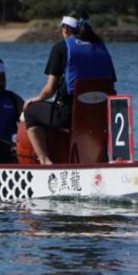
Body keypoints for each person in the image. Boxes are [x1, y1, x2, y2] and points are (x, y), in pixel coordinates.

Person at [23, 14, 117, 164]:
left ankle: (45, 160)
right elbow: (111, 85)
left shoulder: (61, 47)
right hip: (102, 116)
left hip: (70, 117)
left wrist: (35, 99)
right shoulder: (102, 47)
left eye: (62, 27)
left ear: (66, 29)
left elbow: (49, 90)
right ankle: (104, 159)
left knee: (30, 111)